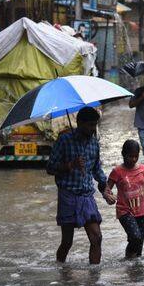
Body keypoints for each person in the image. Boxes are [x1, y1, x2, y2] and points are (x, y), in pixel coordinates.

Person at [46, 107, 116, 265]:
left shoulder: (94, 144)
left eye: (95, 125)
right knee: (67, 242)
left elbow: (97, 170)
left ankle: (94, 280)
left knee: (97, 238)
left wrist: (105, 190)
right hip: (68, 195)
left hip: (87, 196)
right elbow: (50, 168)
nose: (93, 129)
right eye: (90, 125)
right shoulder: (64, 140)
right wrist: (70, 165)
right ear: (79, 123)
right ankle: (60, 270)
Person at [105, 139, 144, 258]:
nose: (134, 159)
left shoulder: (143, 169)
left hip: (141, 211)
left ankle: (134, 272)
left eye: (136, 156)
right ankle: (128, 260)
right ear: (123, 154)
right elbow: (107, 189)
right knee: (135, 237)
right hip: (124, 211)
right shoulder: (117, 171)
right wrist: (108, 196)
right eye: (130, 156)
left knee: (139, 245)